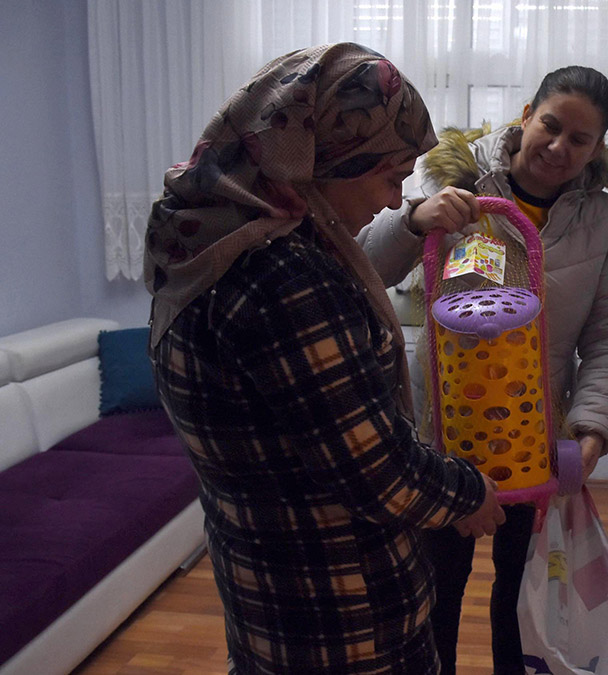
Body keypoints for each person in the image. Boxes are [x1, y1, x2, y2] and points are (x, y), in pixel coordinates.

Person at [144, 43, 506, 674]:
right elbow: (376, 468)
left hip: (264, 594)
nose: (396, 201)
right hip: (343, 620)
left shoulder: (210, 238)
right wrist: (468, 493)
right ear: (330, 160)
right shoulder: (283, 278)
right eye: (390, 177)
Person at [355, 65, 608, 674]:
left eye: (580, 140)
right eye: (551, 126)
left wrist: (591, 430)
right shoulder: (456, 184)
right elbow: (366, 268)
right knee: (435, 595)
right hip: (441, 439)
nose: (560, 148)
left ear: (597, 148)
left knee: (522, 599)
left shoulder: (604, 220)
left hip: (531, 440)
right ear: (526, 114)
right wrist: (412, 222)